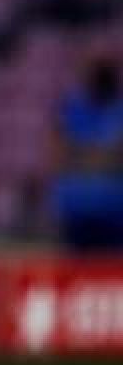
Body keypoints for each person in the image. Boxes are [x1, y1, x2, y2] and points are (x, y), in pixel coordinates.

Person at [51, 57, 123, 249]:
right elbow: (58, 156)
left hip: (115, 210)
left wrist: (80, 156)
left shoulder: (119, 110)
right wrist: (103, 156)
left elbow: (117, 158)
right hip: (76, 209)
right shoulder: (70, 108)